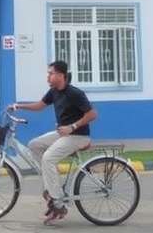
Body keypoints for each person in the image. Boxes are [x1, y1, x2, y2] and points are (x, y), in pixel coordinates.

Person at [11, 60, 97, 225]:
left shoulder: (74, 93)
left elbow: (92, 114)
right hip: (63, 134)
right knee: (34, 145)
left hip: (78, 136)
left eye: (50, 73)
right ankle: (52, 188)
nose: (48, 77)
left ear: (60, 75)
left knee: (48, 158)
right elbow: (39, 105)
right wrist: (18, 106)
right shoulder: (54, 92)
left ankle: (58, 203)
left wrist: (72, 127)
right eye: (48, 73)